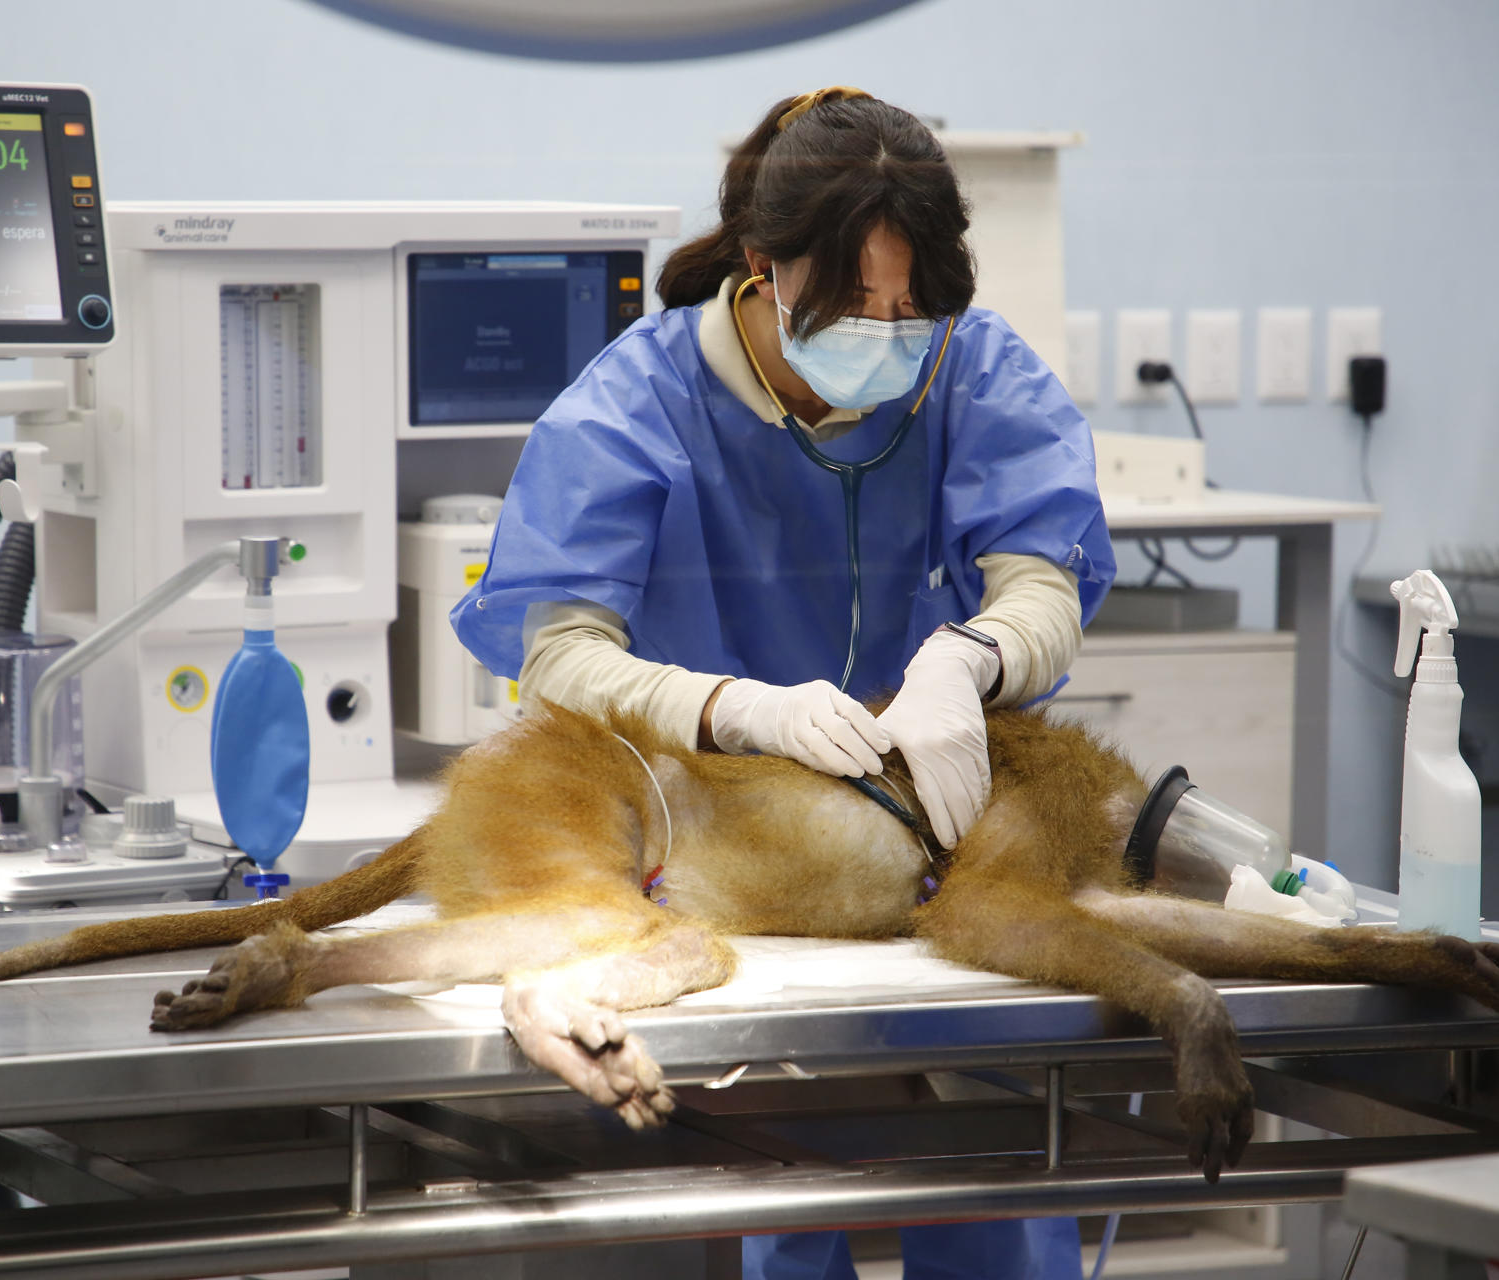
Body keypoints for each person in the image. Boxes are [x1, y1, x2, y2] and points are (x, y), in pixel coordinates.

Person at [453, 86, 1113, 1280]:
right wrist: (734, 708)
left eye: (913, 306)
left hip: (939, 849)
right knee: (772, 1187)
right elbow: (558, 652)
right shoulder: (635, 405)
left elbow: (1045, 587)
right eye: (859, 301)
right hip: (731, 870)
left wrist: (967, 658)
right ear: (764, 268)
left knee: (991, 1172)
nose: (892, 327)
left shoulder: (971, 372)